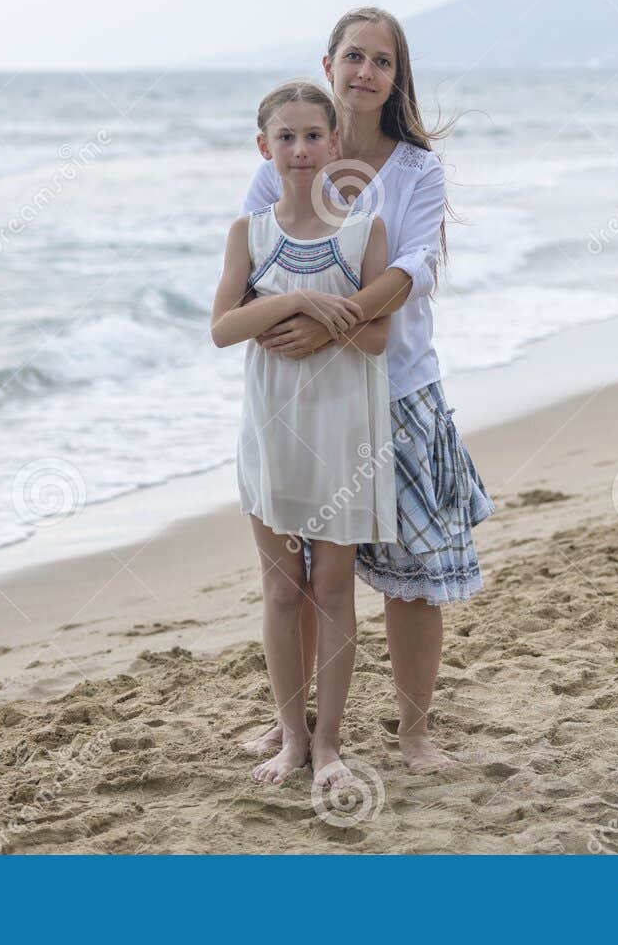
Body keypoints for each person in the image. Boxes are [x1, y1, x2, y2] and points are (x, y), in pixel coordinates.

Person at [237, 7, 496, 773]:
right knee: (304, 578)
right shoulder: (291, 154)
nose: (365, 72)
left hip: (399, 392)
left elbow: (412, 271)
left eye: (382, 61)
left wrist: (331, 325)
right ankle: (296, 725)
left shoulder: (416, 170)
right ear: (329, 64)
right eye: (354, 56)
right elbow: (254, 270)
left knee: (413, 581)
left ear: (396, 77)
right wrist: (308, 326)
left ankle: (414, 731)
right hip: (308, 401)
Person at [212, 79, 395, 789]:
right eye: (284, 137)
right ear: (264, 147)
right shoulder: (249, 234)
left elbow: (376, 338)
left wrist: (325, 322)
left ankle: (329, 745)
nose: (299, 149)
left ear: (334, 142)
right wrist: (298, 298)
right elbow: (223, 328)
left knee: (333, 589)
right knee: (284, 591)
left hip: (342, 432)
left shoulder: (363, 231)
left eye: (313, 135)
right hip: (273, 433)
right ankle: (291, 738)